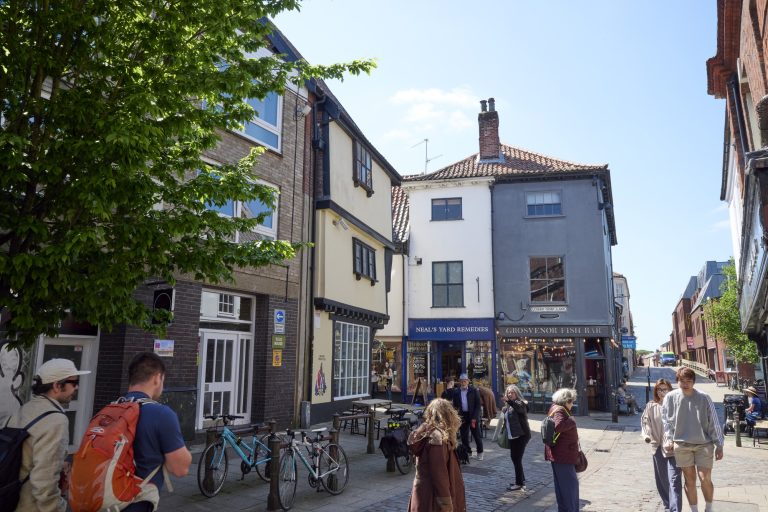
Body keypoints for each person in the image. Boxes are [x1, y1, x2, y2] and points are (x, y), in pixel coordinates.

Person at [8, 358, 90, 512]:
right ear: (57, 386)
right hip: (31, 505)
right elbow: (44, 481)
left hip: (10, 499)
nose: (77, 387)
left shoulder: (26, 408)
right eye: (74, 382)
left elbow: (26, 455)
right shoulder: (55, 420)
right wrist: (57, 509)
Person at [123, 352, 192, 512]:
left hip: (102, 501)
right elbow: (180, 469)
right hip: (136, 504)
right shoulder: (161, 414)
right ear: (157, 378)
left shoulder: (110, 409)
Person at [662, 367, 723, 512]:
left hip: (704, 444)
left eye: (688, 381)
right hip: (682, 445)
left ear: (694, 382)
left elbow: (713, 421)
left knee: (705, 478)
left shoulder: (704, 397)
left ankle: (709, 508)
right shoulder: (670, 397)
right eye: (682, 381)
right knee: (689, 480)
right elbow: (666, 421)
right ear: (677, 381)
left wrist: (719, 444)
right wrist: (669, 439)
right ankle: (694, 509)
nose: (685, 384)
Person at [407, 398, 466, 512]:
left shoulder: (432, 432)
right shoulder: (437, 438)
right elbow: (439, 474)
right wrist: (446, 504)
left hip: (426, 495)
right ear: (449, 415)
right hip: (432, 499)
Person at [641, 378, 682, 512]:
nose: (661, 392)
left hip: (673, 447)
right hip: (657, 446)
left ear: (670, 390)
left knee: (674, 480)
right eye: (659, 389)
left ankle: (675, 509)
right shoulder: (651, 406)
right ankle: (667, 506)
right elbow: (645, 422)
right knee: (662, 479)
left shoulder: (676, 405)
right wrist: (646, 435)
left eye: (664, 389)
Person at [544, 388, 580, 512]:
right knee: (570, 487)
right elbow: (559, 426)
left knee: (563, 487)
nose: (572, 404)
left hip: (560, 454)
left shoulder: (555, 408)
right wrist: (571, 421)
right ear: (566, 401)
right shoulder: (560, 410)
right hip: (563, 455)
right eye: (571, 401)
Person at [502, 384, 531, 491]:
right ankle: (521, 479)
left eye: (512, 392)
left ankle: (519, 483)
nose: (510, 394)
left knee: (516, 459)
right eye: (508, 392)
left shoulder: (521, 403)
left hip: (521, 435)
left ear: (516, 393)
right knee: (515, 458)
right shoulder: (508, 407)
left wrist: (509, 402)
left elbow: (520, 409)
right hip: (512, 436)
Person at [450, 373, 484, 460]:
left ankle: (480, 452)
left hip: (472, 415)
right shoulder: (456, 392)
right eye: (461, 381)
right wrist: (456, 415)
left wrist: (475, 417)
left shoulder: (474, 391)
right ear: (459, 382)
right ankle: (468, 452)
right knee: (464, 436)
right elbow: (455, 405)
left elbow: (478, 405)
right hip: (463, 416)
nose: (463, 383)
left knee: (476, 435)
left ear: (468, 382)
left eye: (465, 381)